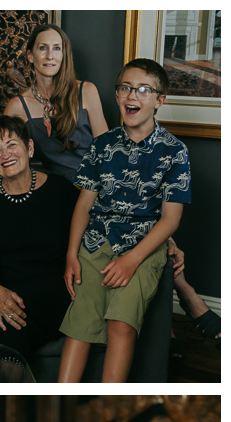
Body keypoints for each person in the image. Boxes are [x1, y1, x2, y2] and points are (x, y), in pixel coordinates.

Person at [57, 58, 191, 383]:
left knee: (120, 323)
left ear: (159, 100)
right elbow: (84, 204)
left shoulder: (175, 151)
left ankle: (108, 409)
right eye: (126, 88)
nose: (133, 96)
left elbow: (170, 220)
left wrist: (131, 261)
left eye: (144, 90)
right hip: (96, 241)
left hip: (142, 246)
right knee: (79, 325)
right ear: (117, 96)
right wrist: (72, 254)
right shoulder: (101, 146)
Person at [0, 115, 78, 361]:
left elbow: (97, 224)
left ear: (29, 148)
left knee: (12, 315)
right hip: (5, 282)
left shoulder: (60, 190)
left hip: (50, 288)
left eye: (11, 144)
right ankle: (6, 383)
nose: (5, 154)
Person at [3, 23, 106, 186]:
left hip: (96, 185)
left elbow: (106, 150)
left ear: (64, 55)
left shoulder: (86, 91)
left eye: (57, 48)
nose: (50, 56)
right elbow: (6, 156)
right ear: (30, 55)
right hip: (54, 189)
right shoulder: (17, 107)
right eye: (43, 48)